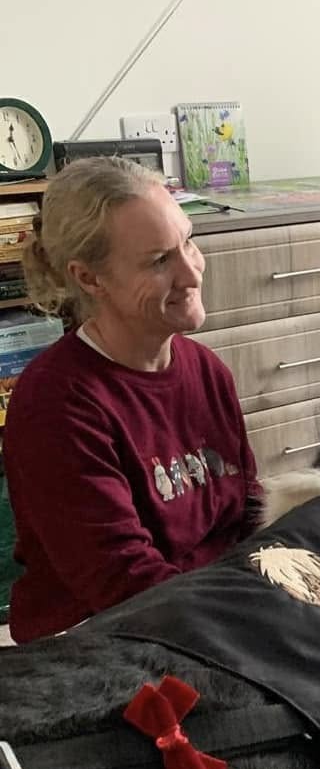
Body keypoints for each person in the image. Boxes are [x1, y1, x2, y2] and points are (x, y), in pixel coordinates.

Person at [3, 157, 263, 644]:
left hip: (206, 612)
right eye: (159, 260)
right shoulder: (56, 405)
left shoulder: (206, 371)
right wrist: (255, 627)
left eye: (188, 241)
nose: (191, 273)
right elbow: (125, 584)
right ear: (89, 279)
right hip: (104, 639)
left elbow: (247, 510)